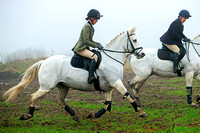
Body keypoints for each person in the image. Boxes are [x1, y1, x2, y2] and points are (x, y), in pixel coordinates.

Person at [72, 9, 104, 84]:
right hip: (80, 48)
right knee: (95, 57)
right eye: (96, 19)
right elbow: (86, 41)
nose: (97, 21)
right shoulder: (87, 26)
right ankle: (90, 77)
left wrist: (98, 44)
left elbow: (90, 40)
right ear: (92, 18)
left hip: (84, 47)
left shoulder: (90, 26)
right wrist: (96, 45)